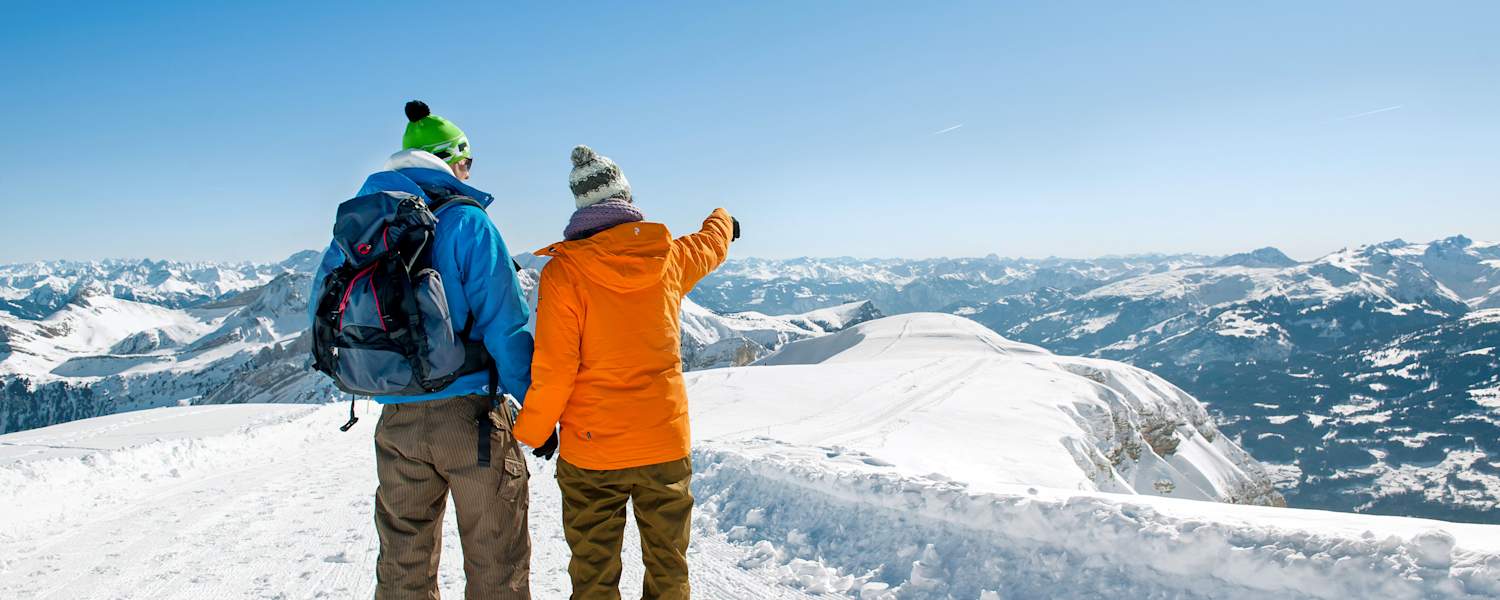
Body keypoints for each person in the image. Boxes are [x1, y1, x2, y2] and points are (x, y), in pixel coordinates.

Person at [308, 101, 535, 599]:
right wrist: (536, 412)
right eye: (468, 162)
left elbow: (319, 309)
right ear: (452, 160)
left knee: (403, 560)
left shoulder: (360, 224)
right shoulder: (466, 222)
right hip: (469, 417)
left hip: (396, 419)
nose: (470, 172)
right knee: (496, 558)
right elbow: (506, 323)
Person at [512, 145, 737, 599]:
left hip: (593, 454)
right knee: (668, 566)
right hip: (663, 445)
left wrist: (535, 431)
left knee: (594, 574)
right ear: (626, 198)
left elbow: (556, 369)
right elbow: (709, 244)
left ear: (582, 208)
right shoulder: (668, 258)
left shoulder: (564, 274)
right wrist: (725, 220)